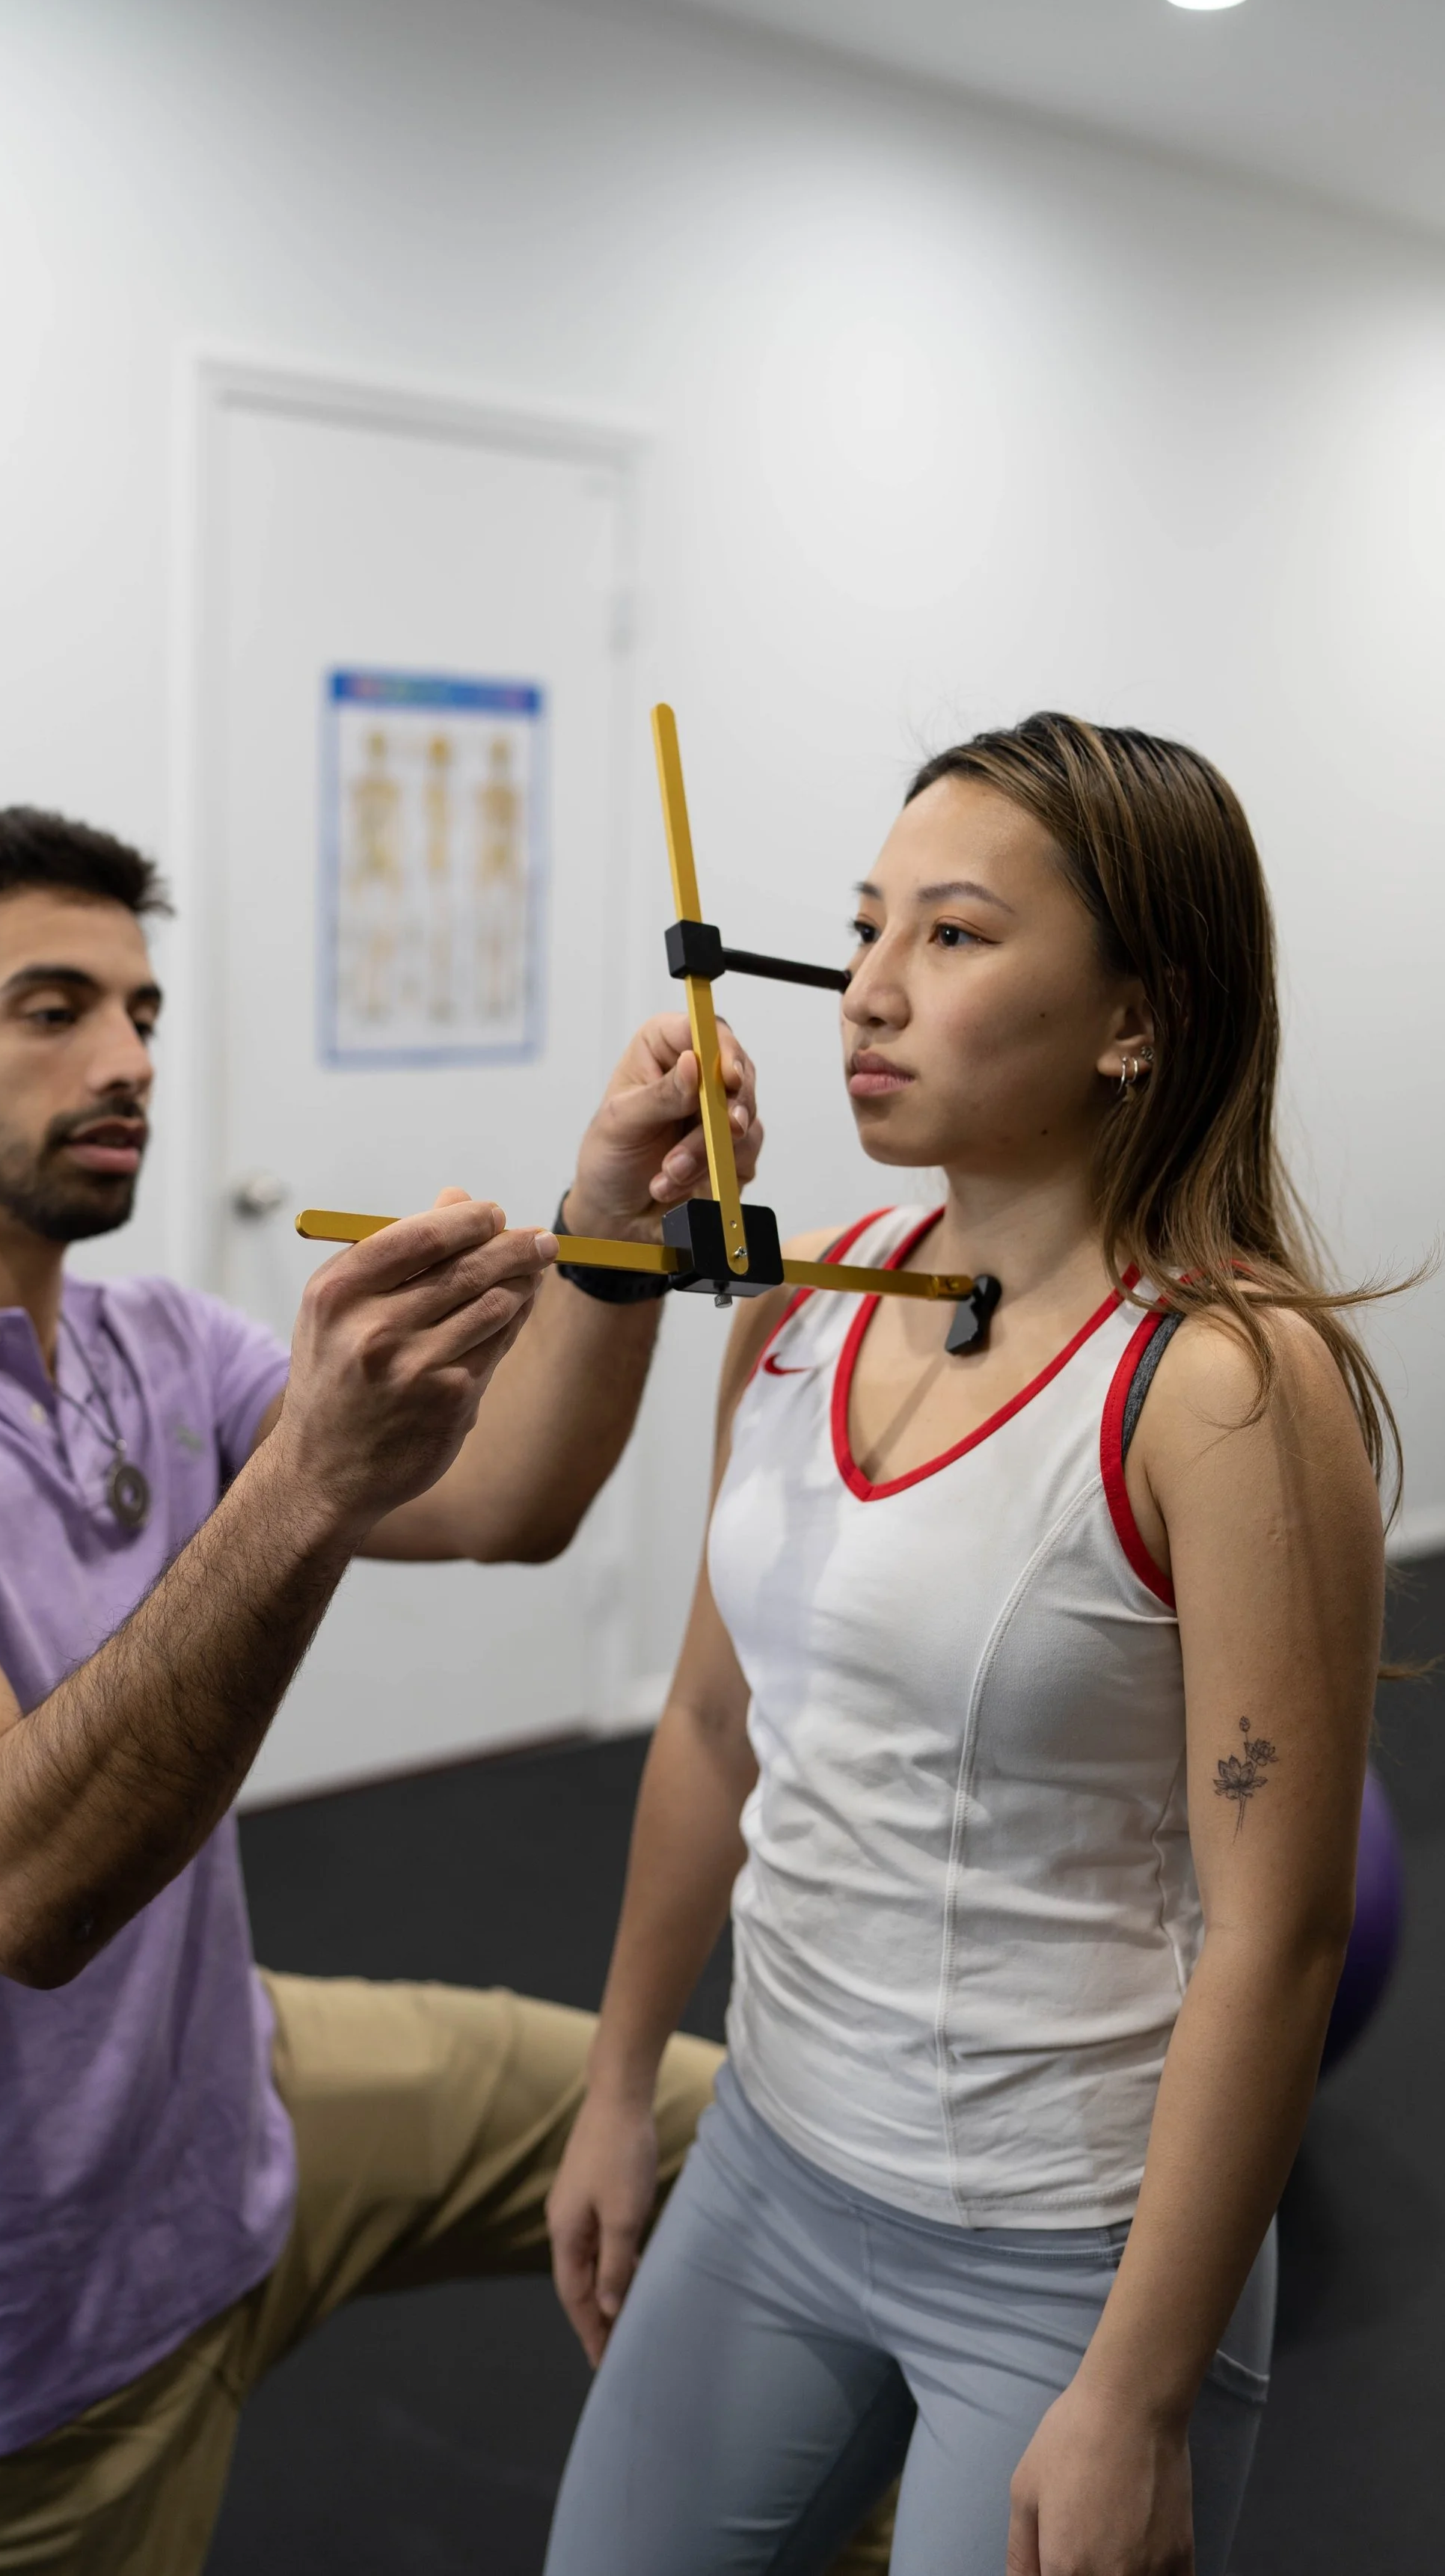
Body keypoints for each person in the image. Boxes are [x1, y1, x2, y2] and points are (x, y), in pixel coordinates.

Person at [0, 807, 759, 2574]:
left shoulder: (153, 1341)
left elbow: (509, 1503)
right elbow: (16, 1885)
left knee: (749, 2153)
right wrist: (307, 1482)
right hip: (11, 2311)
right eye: (52, 1007)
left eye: (144, 1015)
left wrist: (610, 1232)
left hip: (232, 2089)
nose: (123, 1061)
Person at [542, 715, 1388, 2576]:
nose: (864, 989)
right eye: (863, 929)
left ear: (1133, 1021)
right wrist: (617, 2090)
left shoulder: (1230, 1389)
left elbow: (1279, 1929)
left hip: (1070, 2249)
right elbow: (705, 1722)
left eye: (949, 935)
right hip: (767, 2159)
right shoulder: (796, 1302)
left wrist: (1139, 2391)